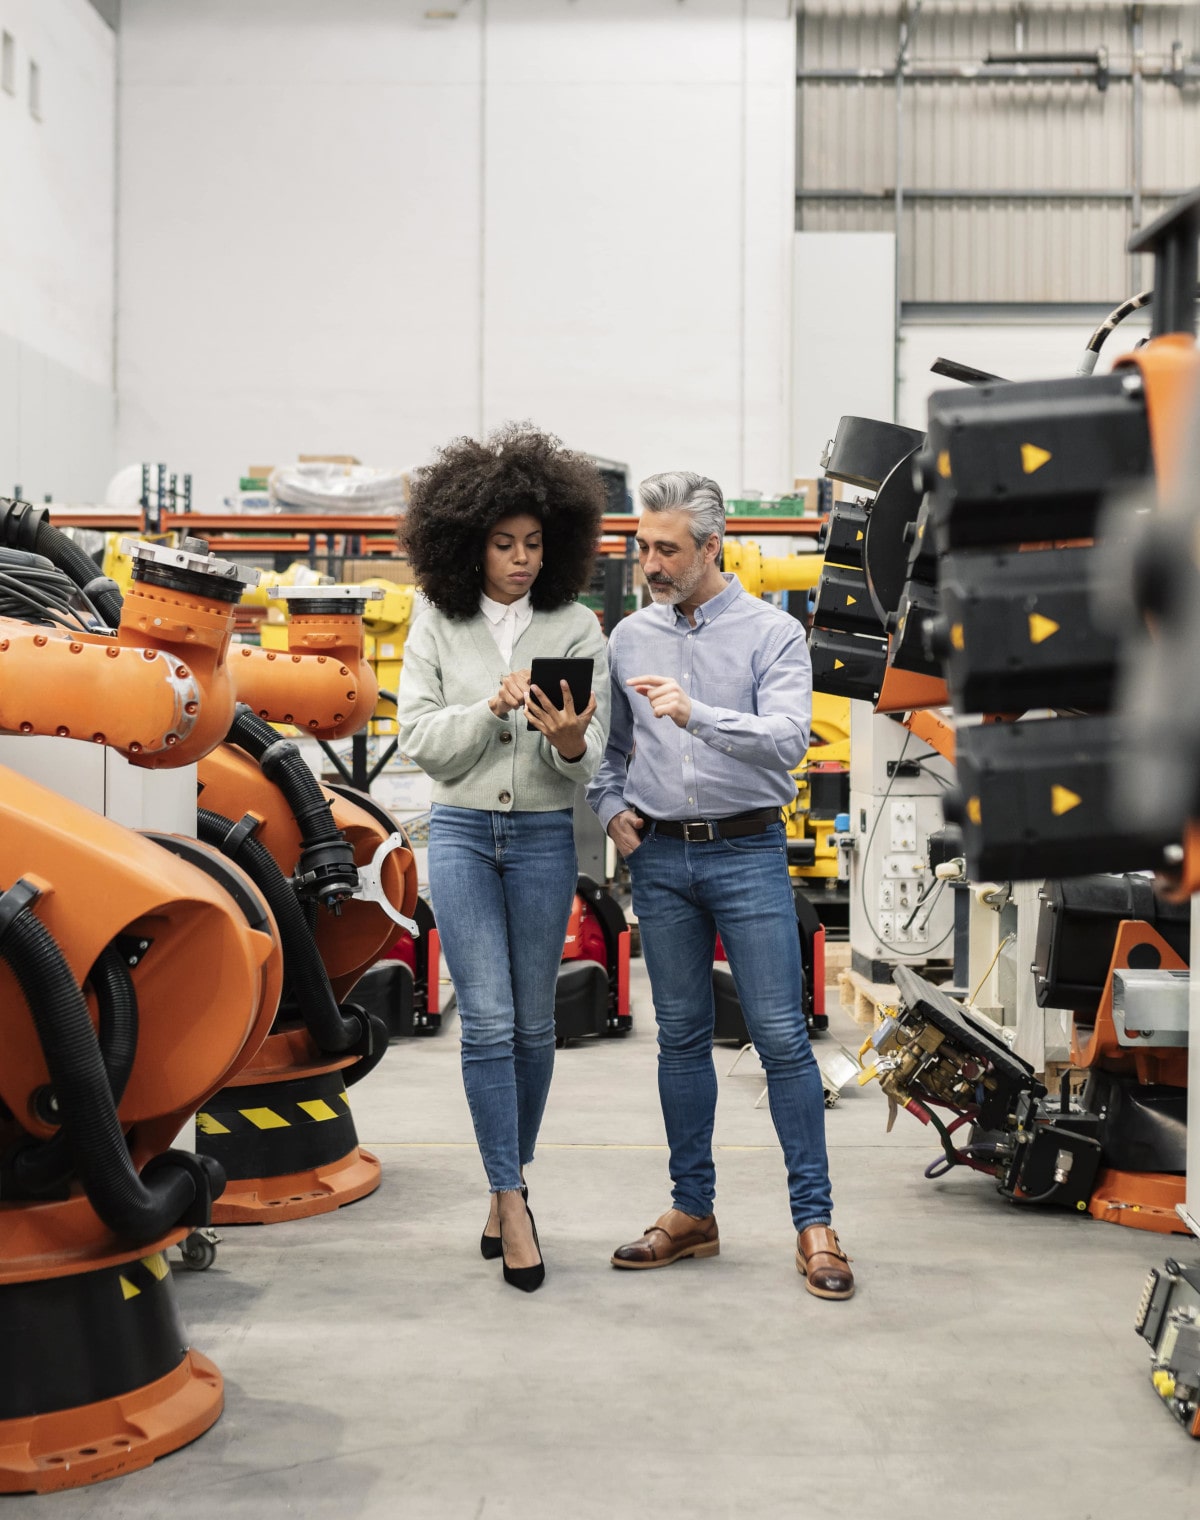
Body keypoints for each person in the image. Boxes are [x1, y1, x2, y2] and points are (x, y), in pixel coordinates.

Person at [586, 470, 853, 1300]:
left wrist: (698, 711)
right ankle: (690, 1212)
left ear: (712, 546)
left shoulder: (774, 634)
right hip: (660, 861)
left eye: (667, 549)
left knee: (779, 1038)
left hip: (746, 855)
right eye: (642, 547)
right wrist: (608, 808)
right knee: (678, 1039)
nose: (651, 563)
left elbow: (786, 742)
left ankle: (815, 1223)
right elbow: (615, 748)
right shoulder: (629, 636)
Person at [397, 424, 609, 1293]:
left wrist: (563, 741)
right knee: (484, 1023)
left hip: (540, 841)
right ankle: (511, 1195)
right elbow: (420, 742)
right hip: (460, 835)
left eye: (533, 545)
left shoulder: (578, 625)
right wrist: (490, 710)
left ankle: (502, 1187)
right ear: (466, 544)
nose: (521, 560)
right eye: (503, 544)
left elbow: (583, 760)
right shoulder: (436, 622)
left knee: (532, 1027)